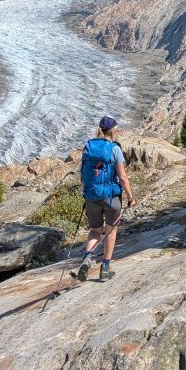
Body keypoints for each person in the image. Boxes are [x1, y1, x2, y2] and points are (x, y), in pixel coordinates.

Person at [72, 116, 136, 282]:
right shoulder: (114, 149)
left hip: (92, 197)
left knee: (95, 230)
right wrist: (130, 197)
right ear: (113, 130)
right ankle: (105, 268)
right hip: (111, 197)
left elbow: (84, 173)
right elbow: (122, 177)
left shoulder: (88, 147)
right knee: (110, 230)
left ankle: (87, 259)